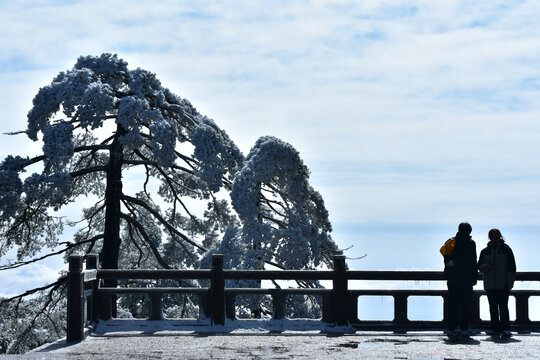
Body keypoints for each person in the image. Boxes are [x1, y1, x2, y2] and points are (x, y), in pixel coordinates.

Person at [478, 228, 516, 337]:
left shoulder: (506, 250)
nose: (495, 237)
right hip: (490, 284)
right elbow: (479, 266)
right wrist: (486, 266)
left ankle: (506, 328)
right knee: (493, 307)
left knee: (503, 306)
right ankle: (494, 328)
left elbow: (512, 267)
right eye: (493, 235)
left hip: (503, 283)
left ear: (500, 236)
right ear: (490, 237)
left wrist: (510, 281)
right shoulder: (485, 251)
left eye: (497, 235)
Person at [443, 222, 478, 340]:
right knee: (465, 304)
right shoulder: (471, 243)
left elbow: (445, 257)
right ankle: (464, 327)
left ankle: (451, 327)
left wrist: (450, 269)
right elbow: (473, 261)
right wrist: (474, 278)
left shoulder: (451, 241)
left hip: (453, 277)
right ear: (470, 231)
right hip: (466, 278)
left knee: (452, 303)